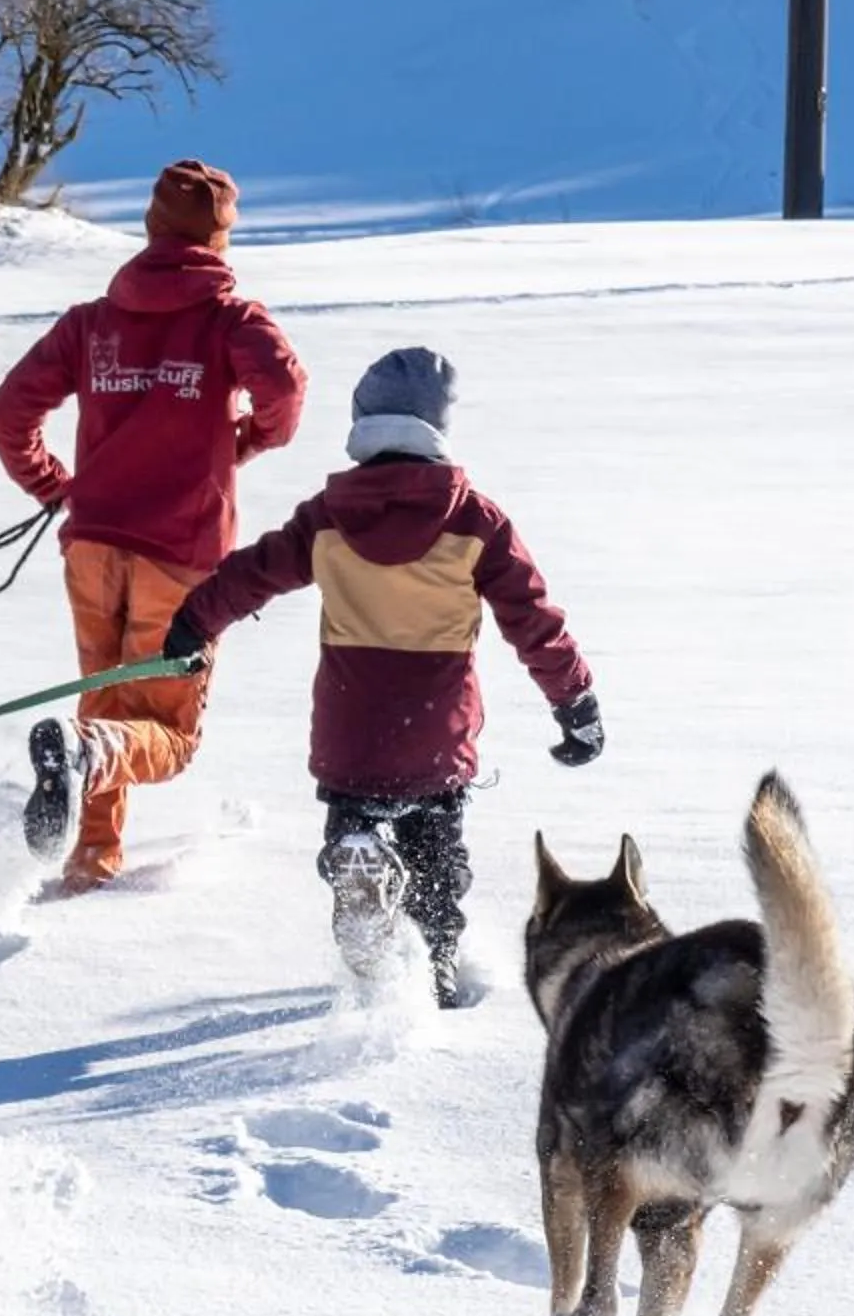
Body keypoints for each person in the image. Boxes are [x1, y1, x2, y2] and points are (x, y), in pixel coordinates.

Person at [161, 347, 603, 1007]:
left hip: (351, 733)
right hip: (435, 738)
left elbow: (251, 574)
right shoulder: (473, 521)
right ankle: (437, 963)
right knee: (436, 865)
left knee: (356, 829)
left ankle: (361, 875)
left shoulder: (328, 517)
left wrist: (194, 623)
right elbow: (531, 617)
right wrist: (575, 700)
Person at [0, 160, 307, 892]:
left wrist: (60, 490)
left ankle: (92, 858)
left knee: (103, 697)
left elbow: (9, 415)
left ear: (152, 226)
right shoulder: (231, 319)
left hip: (93, 546)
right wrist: (244, 442)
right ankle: (87, 777)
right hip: (182, 555)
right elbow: (284, 395)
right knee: (168, 734)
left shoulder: (93, 323)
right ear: (221, 237)